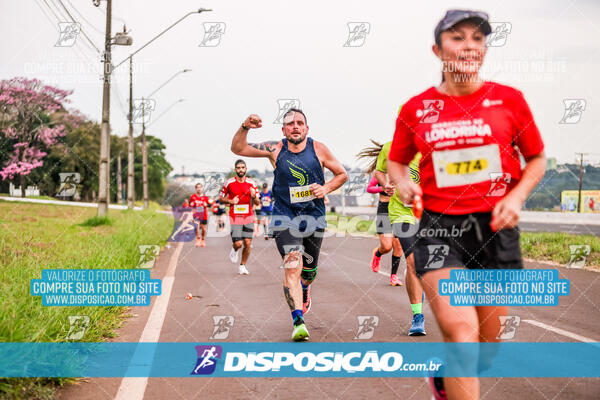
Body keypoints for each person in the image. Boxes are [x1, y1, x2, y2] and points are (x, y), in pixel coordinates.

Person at [387, 10, 546, 400]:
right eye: (457, 38)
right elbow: (395, 160)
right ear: (437, 50)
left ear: (485, 49)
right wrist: (404, 184)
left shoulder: (509, 100)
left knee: (486, 350)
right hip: (440, 229)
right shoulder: (416, 109)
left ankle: (444, 380)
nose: (469, 45)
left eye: (477, 38)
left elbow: (537, 159)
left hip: (494, 229)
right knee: (461, 337)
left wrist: (516, 196)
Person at [231, 108, 347, 341]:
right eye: (290, 124)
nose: (295, 126)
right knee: (292, 265)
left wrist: (325, 188)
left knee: (309, 272)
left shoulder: (319, 149)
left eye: (299, 123)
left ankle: (305, 288)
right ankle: (298, 320)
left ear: (306, 128)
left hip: (313, 217)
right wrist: (245, 126)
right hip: (284, 217)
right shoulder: (275, 149)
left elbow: (342, 174)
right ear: (283, 130)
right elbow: (238, 149)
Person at [359, 139, 427, 336]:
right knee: (410, 259)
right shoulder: (391, 148)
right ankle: (418, 316)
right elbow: (377, 174)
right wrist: (385, 186)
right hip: (400, 212)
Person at [357, 140, 404, 287]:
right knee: (387, 246)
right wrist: (384, 188)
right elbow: (370, 189)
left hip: (399, 209)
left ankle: (394, 276)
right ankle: (377, 254)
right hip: (384, 209)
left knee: (398, 245)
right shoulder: (380, 173)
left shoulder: (402, 171)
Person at [219, 160, 260, 275]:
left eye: (243, 167)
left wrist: (254, 196)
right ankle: (234, 249)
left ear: (246, 169)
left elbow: (257, 202)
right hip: (235, 217)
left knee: (247, 243)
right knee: (238, 243)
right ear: (235, 170)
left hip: (248, 217)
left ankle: (242, 266)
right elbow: (221, 198)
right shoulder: (229, 183)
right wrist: (231, 200)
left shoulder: (252, 183)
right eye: (238, 168)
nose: (241, 170)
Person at [189, 183, 210, 248]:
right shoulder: (193, 197)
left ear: (202, 188)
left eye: (200, 187)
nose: (199, 189)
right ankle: (198, 239)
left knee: (203, 229)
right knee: (197, 226)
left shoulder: (205, 197)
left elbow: (209, 204)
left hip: (204, 215)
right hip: (196, 215)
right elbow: (190, 204)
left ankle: (202, 239)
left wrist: (206, 204)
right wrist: (191, 204)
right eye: (198, 187)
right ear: (196, 189)